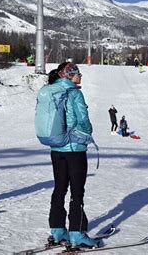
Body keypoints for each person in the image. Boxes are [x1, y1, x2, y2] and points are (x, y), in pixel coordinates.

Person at [47, 62, 97, 248]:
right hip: (74, 149)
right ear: (70, 75)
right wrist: (88, 132)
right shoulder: (75, 93)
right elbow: (83, 120)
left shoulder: (51, 92)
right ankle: (76, 233)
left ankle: (58, 230)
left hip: (56, 148)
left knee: (59, 188)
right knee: (77, 192)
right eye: (78, 73)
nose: (81, 76)